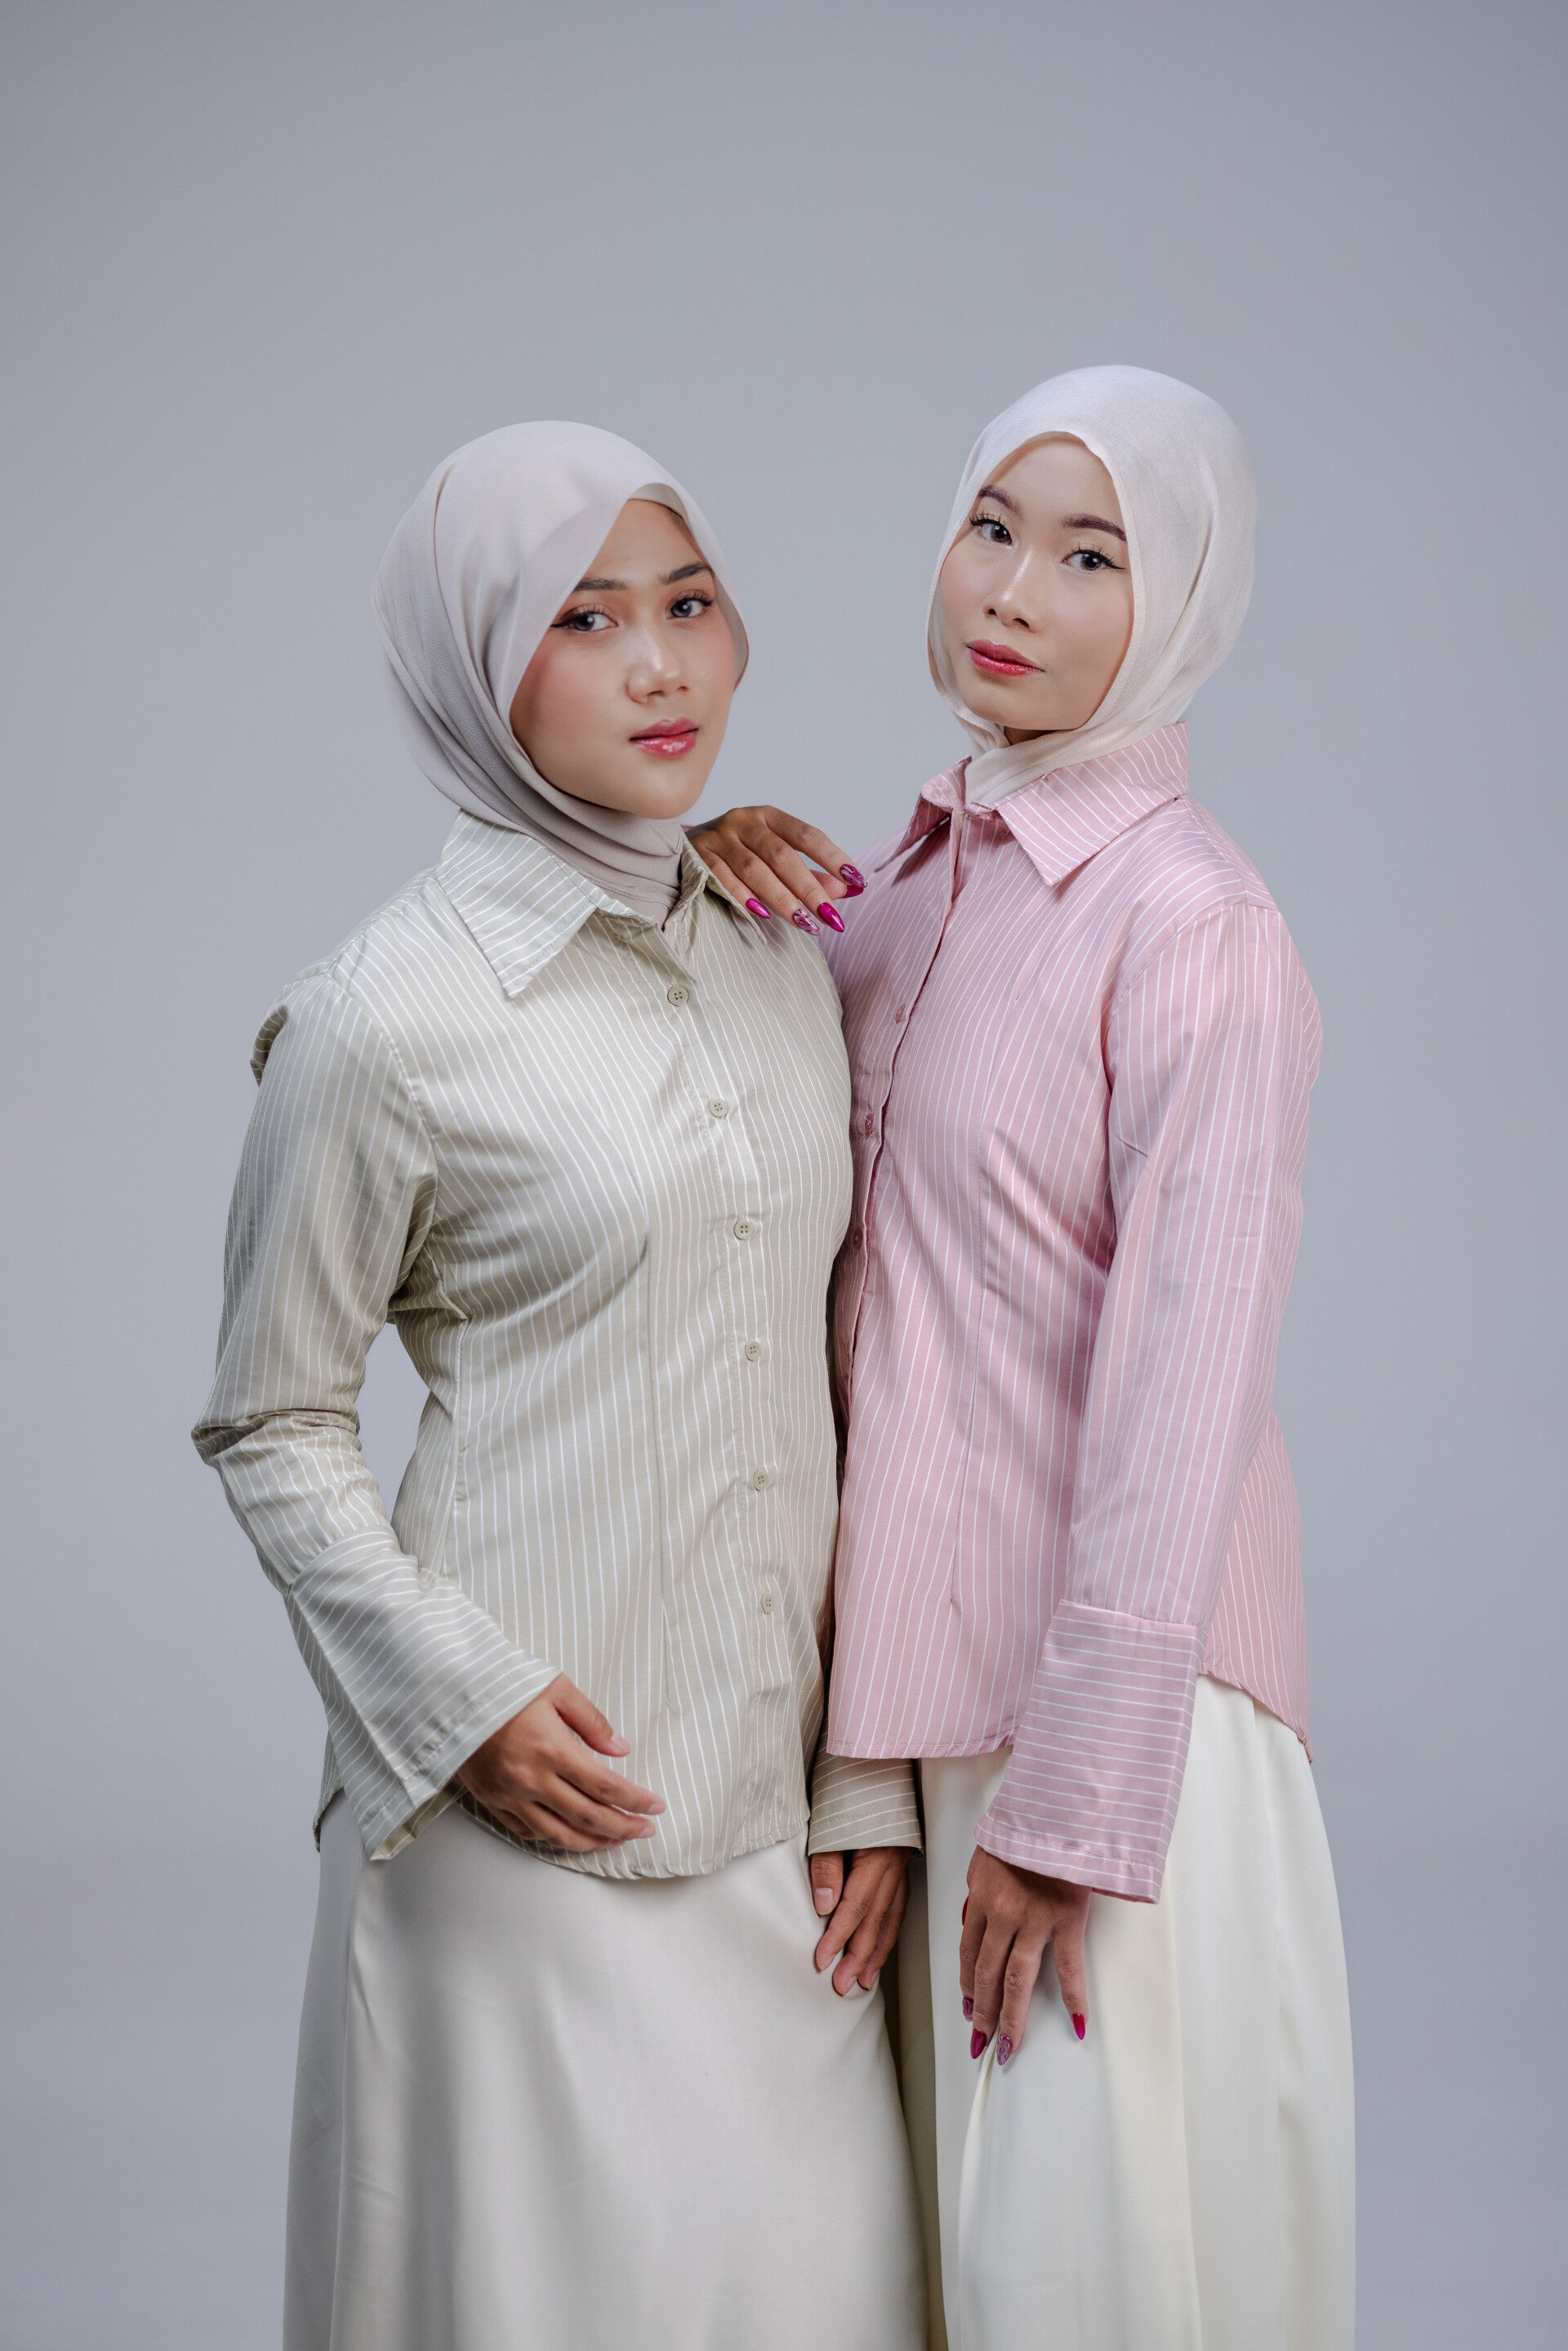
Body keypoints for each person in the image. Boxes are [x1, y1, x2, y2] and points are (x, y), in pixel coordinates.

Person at [193, 422, 925, 2351]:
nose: (661, 665)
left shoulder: (778, 946)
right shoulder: (379, 1017)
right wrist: (459, 1703)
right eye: (583, 620)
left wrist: (871, 1762)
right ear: (472, 667)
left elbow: (856, 1371)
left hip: (785, 1822)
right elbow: (271, 1417)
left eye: (689, 602)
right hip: (526, 1825)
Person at [692, 366, 1356, 2351]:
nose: (1015, 590)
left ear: (1185, 606)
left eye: (1092, 555)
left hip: (1112, 1732)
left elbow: (1186, 1389)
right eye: (993, 526)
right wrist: (685, 880)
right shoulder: (886, 903)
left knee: (1095, 2284)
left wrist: (1074, 1802)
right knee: (948, 2285)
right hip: (918, 1723)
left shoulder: (1198, 926)